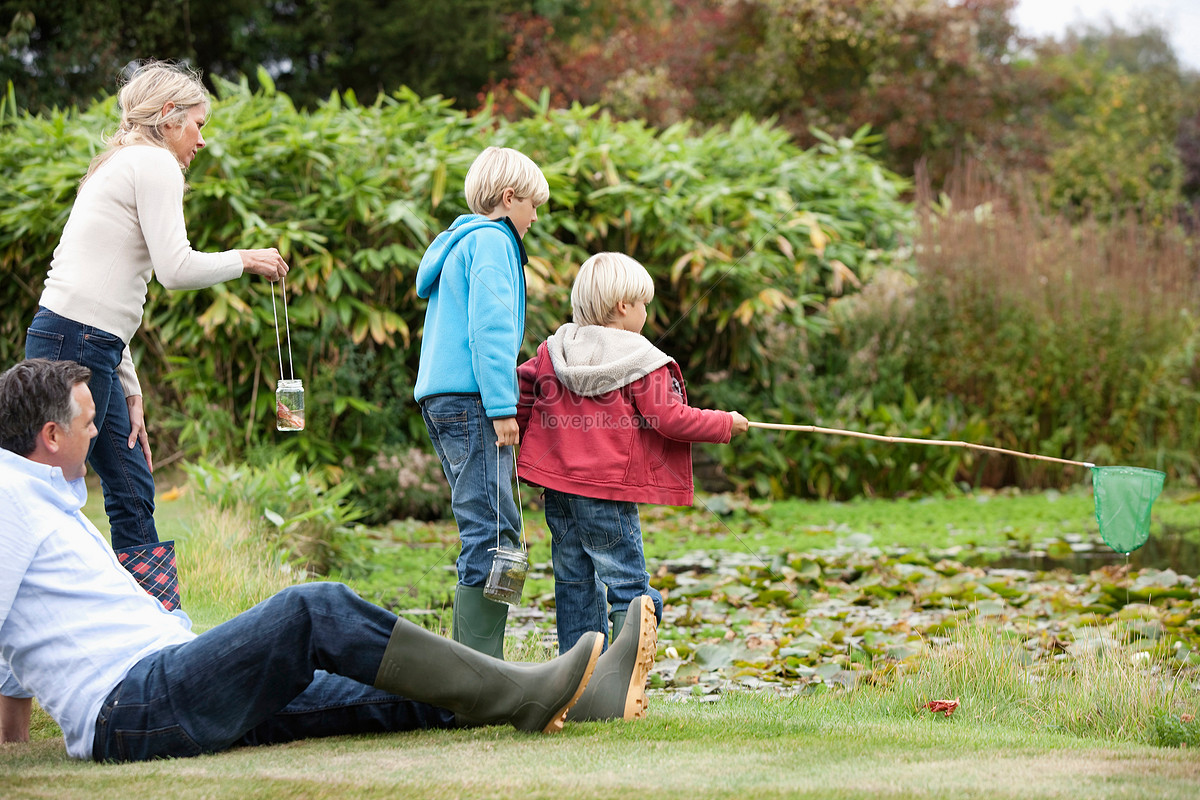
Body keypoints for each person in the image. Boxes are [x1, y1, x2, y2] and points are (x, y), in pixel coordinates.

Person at [0, 358, 661, 761]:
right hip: (138, 703)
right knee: (311, 611)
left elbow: (14, 646)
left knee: (388, 690)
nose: (100, 431)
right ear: (51, 434)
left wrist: (13, 735)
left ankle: (580, 698)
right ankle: (528, 692)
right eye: (89, 422)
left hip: (166, 688)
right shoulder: (9, 499)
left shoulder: (40, 499)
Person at [23, 60, 289, 568]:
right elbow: (175, 268)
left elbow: (105, 295)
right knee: (53, 490)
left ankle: (153, 620)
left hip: (81, 341)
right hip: (76, 343)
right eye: (198, 124)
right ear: (169, 115)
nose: (201, 140)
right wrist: (247, 259)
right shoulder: (155, 163)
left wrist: (131, 389)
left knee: (129, 482)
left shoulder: (123, 163)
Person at [515, 252, 749, 689]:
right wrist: (724, 423)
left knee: (573, 580)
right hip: (608, 492)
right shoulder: (639, 358)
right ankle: (621, 683)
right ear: (623, 306)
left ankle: (577, 681)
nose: (646, 313)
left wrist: (524, 434)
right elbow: (670, 418)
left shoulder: (554, 350)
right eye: (644, 303)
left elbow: (523, 393)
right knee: (627, 582)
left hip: (559, 492)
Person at [412, 146, 547, 659]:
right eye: (533, 205)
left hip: (447, 400)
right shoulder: (492, 241)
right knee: (493, 531)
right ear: (509, 198)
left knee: (493, 523)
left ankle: (480, 664)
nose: (535, 217)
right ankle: (478, 670)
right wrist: (502, 407)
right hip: (472, 401)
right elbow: (489, 331)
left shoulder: (460, 242)